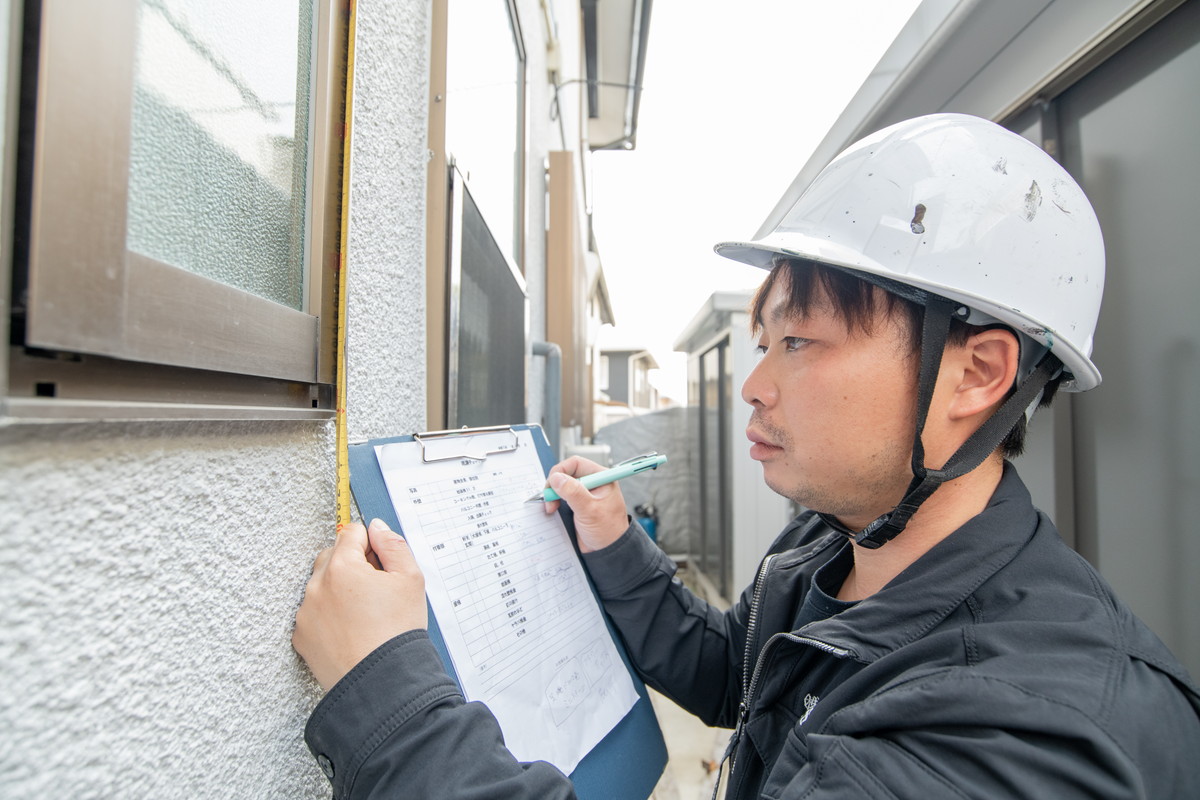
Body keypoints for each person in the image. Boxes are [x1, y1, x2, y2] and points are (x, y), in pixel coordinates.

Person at [293, 114, 1200, 798]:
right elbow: (736, 674)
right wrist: (612, 540)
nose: (753, 386)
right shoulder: (829, 548)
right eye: (760, 343)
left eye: (799, 341)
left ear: (976, 375)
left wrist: (390, 698)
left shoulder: (1017, 731)